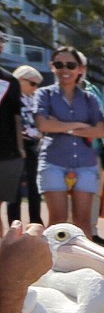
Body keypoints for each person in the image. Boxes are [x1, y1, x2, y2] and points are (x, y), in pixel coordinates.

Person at [31, 46, 104, 233]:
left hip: (84, 163)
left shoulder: (90, 98)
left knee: (83, 222)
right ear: (52, 67)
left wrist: (63, 126)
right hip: (53, 161)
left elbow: (101, 130)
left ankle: (85, 262)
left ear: (80, 69)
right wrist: (81, 125)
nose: (65, 70)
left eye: (70, 65)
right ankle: (49, 263)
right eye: (59, 64)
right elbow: (43, 125)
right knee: (57, 221)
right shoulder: (44, 94)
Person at [11, 63, 41, 224]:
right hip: (14, 147)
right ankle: (14, 223)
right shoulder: (10, 97)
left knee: (34, 187)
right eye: (33, 83)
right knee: (13, 190)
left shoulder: (34, 98)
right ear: (21, 80)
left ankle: (35, 222)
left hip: (33, 147)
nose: (35, 88)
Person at [0, 30, 23, 220]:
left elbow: (17, 115)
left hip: (5, 153)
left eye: (2, 40)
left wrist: (20, 149)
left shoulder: (9, 80)